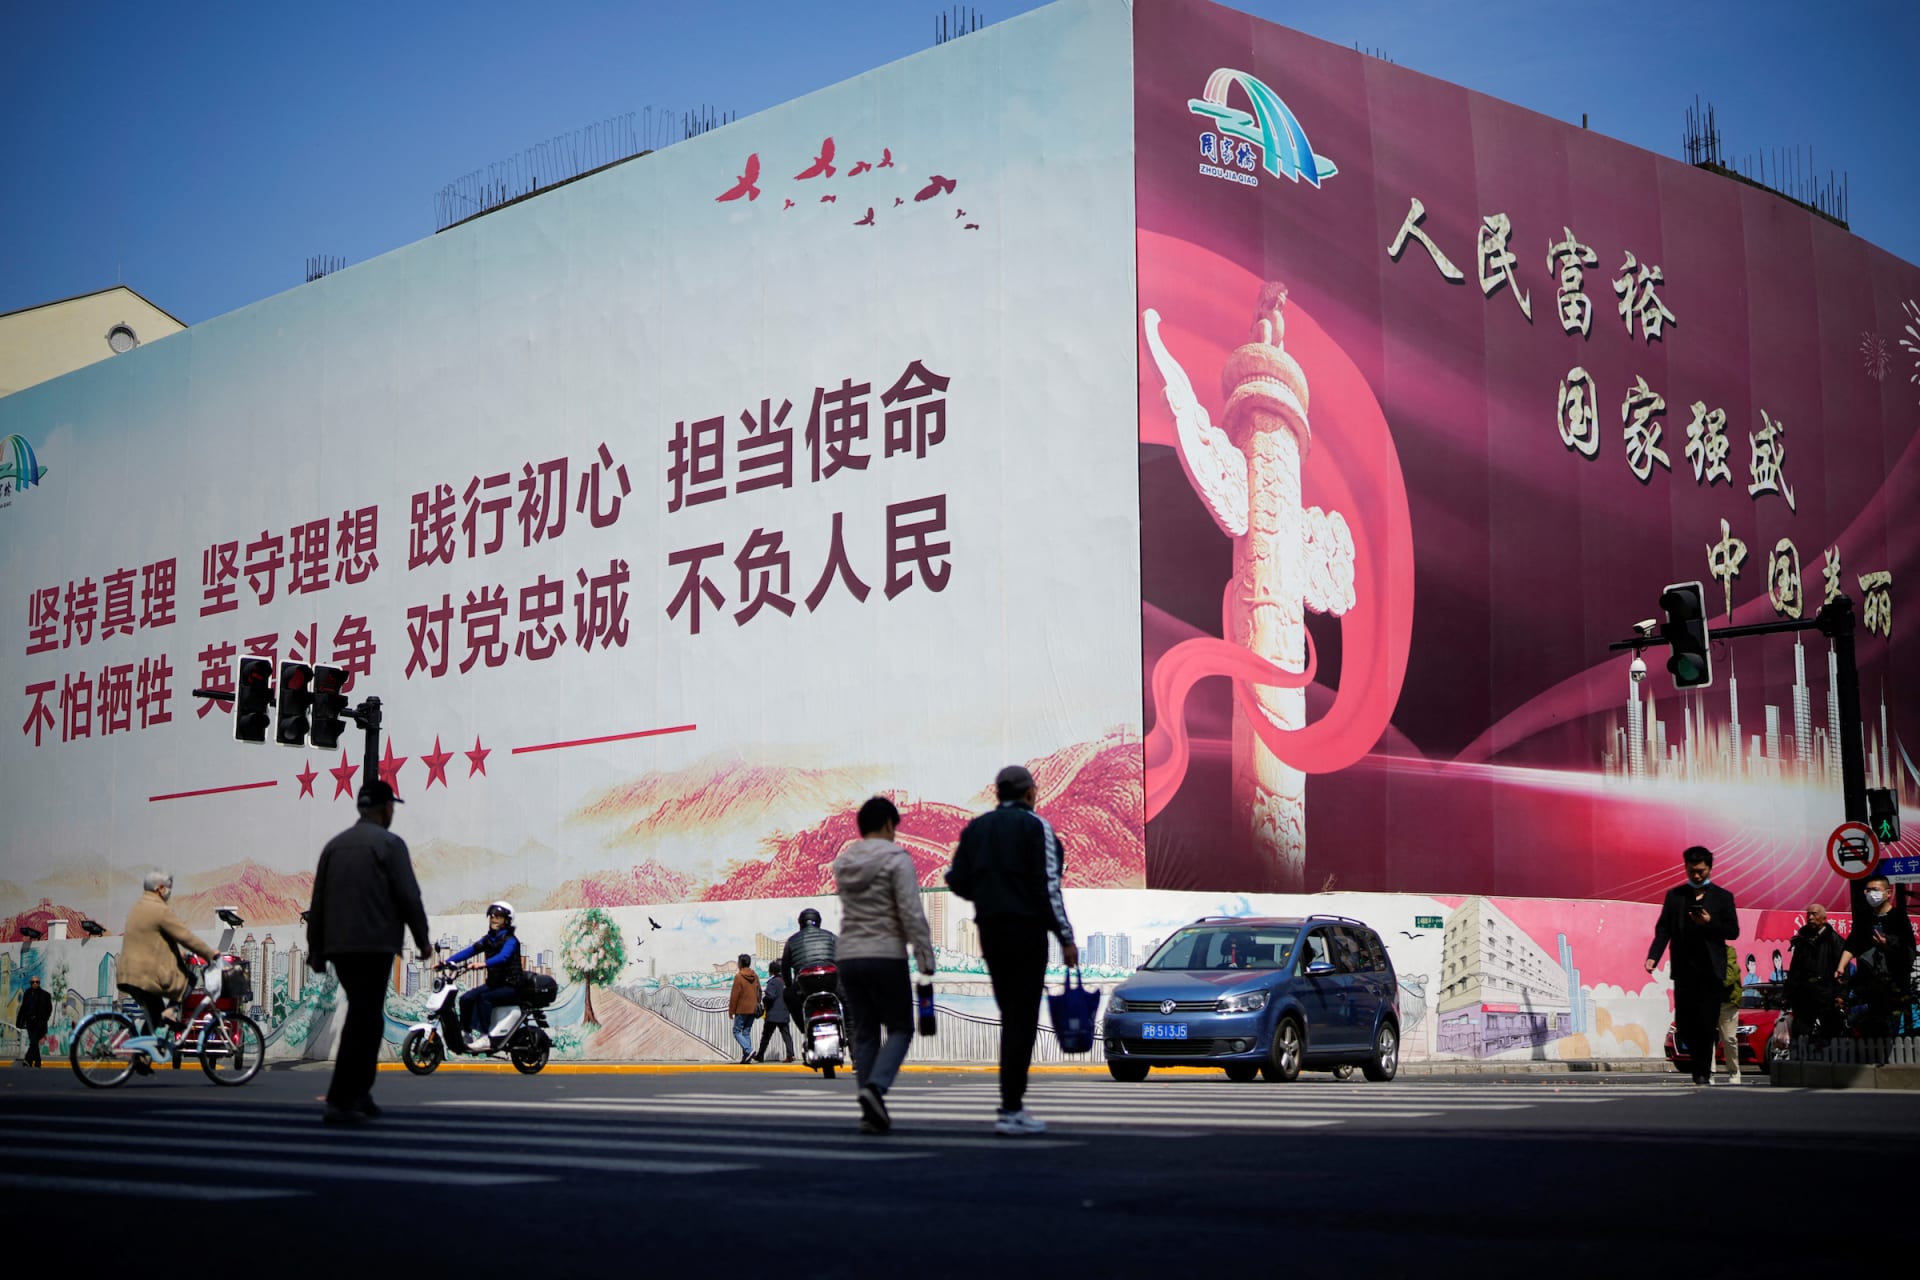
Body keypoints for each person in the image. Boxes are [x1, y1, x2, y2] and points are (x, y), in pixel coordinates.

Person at [947, 764, 1077, 1135]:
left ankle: (1011, 1104)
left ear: (998, 793)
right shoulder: (1038, 828)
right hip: (1027, 931)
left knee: (1010, 1014)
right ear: (1030, 793)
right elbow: (1049, 886)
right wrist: (1065, 937)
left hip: (991, 930)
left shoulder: (977, 828)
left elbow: (956, 880)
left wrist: (987, 896)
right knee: (1022, 1018)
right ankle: (1011, 1107)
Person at [307, 780, 432, 1126]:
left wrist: (315, 949)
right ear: (386, 808)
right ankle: (341, 1098)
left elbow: (317, 903)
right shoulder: (390, 845)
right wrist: (422, 939)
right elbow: (409, 895)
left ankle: (360, 1093)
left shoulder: (334, 846)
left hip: (340, 948)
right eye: (392, 806)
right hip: (374, 945)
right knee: (365, 1018)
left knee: (367, 1016)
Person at [833, 795, 937, 1135]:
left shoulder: (845, 862)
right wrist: (925, 955)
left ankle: (870, 1112)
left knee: (864, 1032)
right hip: (885, 954)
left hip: (848, 957)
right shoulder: (897, 859)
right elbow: (910, 911)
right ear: (890, 825)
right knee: (901, 1028)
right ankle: (875, 1088)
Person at [1644, 845, 1738, 1086]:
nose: (1696, 875)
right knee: (1685, 1024)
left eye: (1701, 871)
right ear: (1685, 867)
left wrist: (1709, 922)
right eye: (1692, 870)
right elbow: (1663, 928)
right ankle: (1699, 1065)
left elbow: (1733, 931)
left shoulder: (1723, 897)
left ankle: (1701, 1072)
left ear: (1709, 868)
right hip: (1684, 971)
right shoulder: (1675, 896)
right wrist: (1654, 955)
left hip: (1711, 972)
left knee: (1706, 1024)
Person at [118, 869, 218, 1059]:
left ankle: (139, 1058)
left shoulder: (137, 908)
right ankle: (172, 1011)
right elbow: (185, 936)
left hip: (128, 974)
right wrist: (210, 953)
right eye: (168, 888)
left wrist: (175, 952)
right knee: (189, 977)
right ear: (160, 889)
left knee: (154, 1017)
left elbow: (149, 940)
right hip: (144, 976)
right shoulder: (159, 910)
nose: (169, 892)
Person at [1837, 874, 1916, 1038]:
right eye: (1868, 890)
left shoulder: (1899, 918)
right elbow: (1852, 943)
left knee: (1895, 1028)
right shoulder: (1864, 919)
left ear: (1888, 893)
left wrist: (1886, 944)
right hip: (1869, 983)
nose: (1871, 893)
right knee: (1870, 1028)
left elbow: (1908, 950)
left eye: (1876, 890)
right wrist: (1841, 966)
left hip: (1894, 984)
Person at [447, 901, 523, 1049]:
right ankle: (466, 1033)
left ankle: (485, 1037)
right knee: (466, 998)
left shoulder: (511, 941)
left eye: (498, 917)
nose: (494, 919)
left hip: (511, 987)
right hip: (494, 984)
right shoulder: (488, 940)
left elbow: (503, 957)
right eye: (492, 916)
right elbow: (470, 951)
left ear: (507, 921)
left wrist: (484, 964)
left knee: (484, 998)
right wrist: (447, 961)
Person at [1786, 902, 1844, 1047]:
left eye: (1814, 914)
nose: (1810, 917)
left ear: (1824, 919)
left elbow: (1843, 970)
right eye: (1808, 914)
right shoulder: (1801, 940)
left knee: (1830, 1034)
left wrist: (1841, 994)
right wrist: (1788, 994)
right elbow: (1794, 970)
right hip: (1804, 995)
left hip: (1826, 995)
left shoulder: (1834, 940)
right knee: (1800, 1033)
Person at [781, 907, 839, 1026]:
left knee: (787, 994)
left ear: (801, 923)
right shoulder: (831, 937)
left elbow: (785, 968)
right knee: (848, 1006)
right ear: (818, 922)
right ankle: (851, 1036)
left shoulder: (791, 941)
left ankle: (804, 1026)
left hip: (805, 987)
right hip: (831, 985)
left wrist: (789, 986)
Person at [751, 960, 794, 1063]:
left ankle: (760, 1055)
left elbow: (770, 996)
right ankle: (790, 1054)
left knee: (766, 1036)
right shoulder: (786, 982)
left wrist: (764, 1001)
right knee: (786, 1035)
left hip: (773, 1014)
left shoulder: (773, 982)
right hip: (784, 1013)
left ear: (772, 971)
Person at [727, 954, 762, 1064]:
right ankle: (746, 1057)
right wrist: (757, 1003)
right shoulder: (755, 975)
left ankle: (749, 1050)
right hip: (752, 1009)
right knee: (746, 1032)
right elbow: (759, 991)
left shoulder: (739, 976)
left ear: (740, 963)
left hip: (741, 1009)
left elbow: (734, 995)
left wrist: (731, 1010)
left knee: (736, 1031)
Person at [14, 975, 52, 1067]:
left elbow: (49, 1009)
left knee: (33, 1041)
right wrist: (20, 1021)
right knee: (34, 1042)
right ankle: (37, 1062)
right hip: (30, 1023)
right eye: (33, 982)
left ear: (39, 983)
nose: (35, 983)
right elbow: (23, 1008)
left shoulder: (45, 995)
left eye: (37, 982)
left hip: (40, 1024)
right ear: (30, 983)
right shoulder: (27, 993)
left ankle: (28, 1059)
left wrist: (44, 1019)